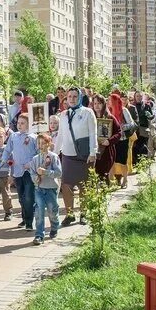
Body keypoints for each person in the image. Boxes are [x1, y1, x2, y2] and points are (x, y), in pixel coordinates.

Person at [55, 86, 98, 226]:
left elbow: (93, 133)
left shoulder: (88, 112)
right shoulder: (63, 115)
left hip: (84, 155)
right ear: (66, 99)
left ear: (79, 97)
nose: (72, 99)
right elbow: (60, 135)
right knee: (66, 185)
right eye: (69, 97)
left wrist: (93, 152)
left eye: (75, 96)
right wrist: (55, 153)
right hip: (68, 154)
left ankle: (84, 213)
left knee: (83, 186)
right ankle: (70, 214)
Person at [3, 114, 38, 229]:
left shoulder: (33, 137)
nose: (19, 125)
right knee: (21, 197)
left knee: (28, 196)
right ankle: (24, 218)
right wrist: (4, 159)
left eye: (22, 123)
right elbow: (8, 149)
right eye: (18, 123)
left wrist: (32, 163)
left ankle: (29, 221)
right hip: (17, 171)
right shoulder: (14, 136)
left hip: (29, 171)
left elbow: (39, 154)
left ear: (28, 124)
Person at [29, 133, 62, 244]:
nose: (41, 145)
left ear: (48, 144)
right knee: (39, 211)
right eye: (39, 143)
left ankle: (54, 226)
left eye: (43, 143)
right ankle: (39, 234)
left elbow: (58, 173)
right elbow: (32, 173)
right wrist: (35, 179)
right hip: (39, 189)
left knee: (52, 210)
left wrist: (46, 172)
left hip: (51, 188)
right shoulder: (34, 159)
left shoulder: (53, 157)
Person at [108, 91, 136, 188]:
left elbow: (132, 124)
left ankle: (125, 180)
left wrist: (120, 127)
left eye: (110, 100)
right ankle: (110, 181)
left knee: (122, 161)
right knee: (111, 160)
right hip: (112, 139)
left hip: (123, 139)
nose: (108, 102)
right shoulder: (109, 111)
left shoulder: (124, 110)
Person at [90, 94, 120, 184]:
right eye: (95, 103)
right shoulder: (90, 117)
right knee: (93, 175)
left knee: (103, 175)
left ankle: (104, 195)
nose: (97, 106)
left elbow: (118, 132)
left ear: (103, 104)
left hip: (106, 151)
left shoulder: (110, 117)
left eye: (99, 103)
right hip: (92, 150)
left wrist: (109, 141)